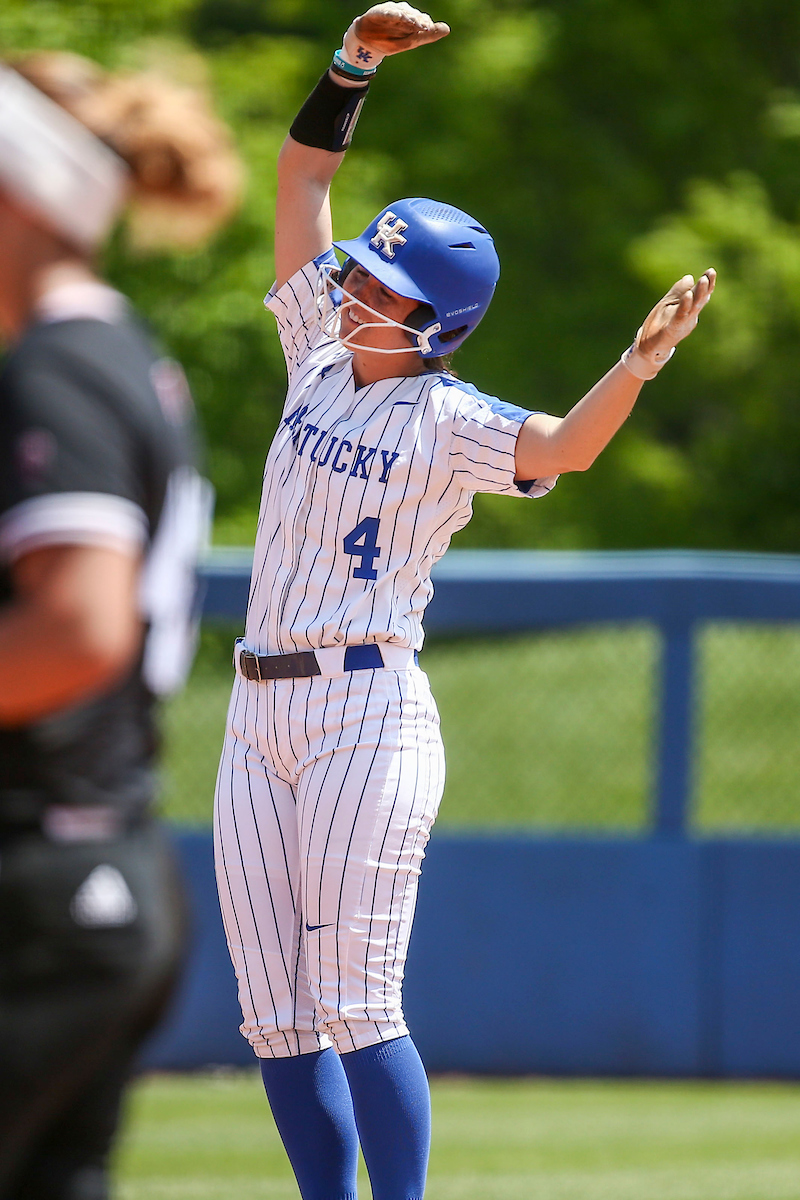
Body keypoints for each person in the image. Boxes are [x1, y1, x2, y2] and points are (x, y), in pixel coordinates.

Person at [213, 5, 715, 1199]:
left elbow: (565, 449)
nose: (349, 289)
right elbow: (299, 177)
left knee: (352, 1000)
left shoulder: (447, 418)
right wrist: (352, 68)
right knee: (274, 1016)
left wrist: (635, 366)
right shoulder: (317, 358)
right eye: (360, 272)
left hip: (362, 711)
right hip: (254, 704)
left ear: (431, 320)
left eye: (378, 286)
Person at [0, 54, 240, 1200]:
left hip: (41, 883)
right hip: (96, 871)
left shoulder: (57, 367)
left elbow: (77, 629)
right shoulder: (117, 354)